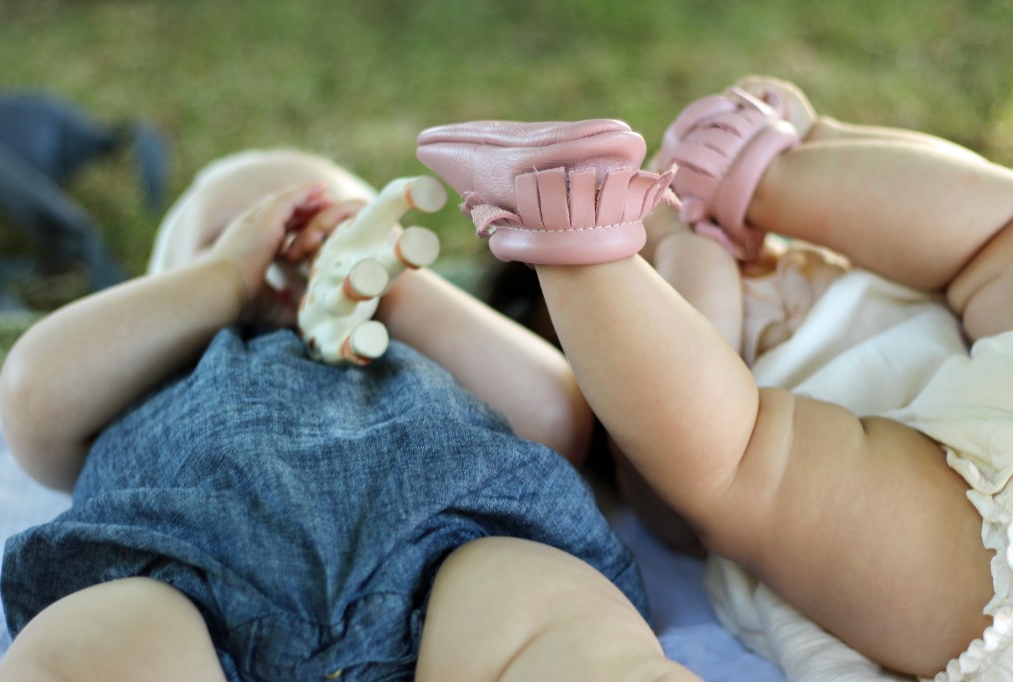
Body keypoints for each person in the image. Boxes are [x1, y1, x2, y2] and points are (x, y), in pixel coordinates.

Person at [0, 149, 698, 681]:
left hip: (445, 556)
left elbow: (556, 414)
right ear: (155, 287)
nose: (292, 248)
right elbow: (30, 396)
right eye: (227, 232)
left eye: (340, 220)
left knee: (542, 605)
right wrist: (222, 282)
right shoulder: (141, 366)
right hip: (177, 578)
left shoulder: (413, 349)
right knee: (89, 646)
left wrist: (397, 292)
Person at [415, 75, 1013, 680]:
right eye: (648, 256)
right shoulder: (719, 431)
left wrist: (799, 162)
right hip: (973, 525)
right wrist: (686, 244)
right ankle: (569, 237)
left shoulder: (876, 268)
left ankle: (772, 167)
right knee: (734, 462)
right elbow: (683, 473)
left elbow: (979, 234)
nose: (704, 233)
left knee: (998, 239)